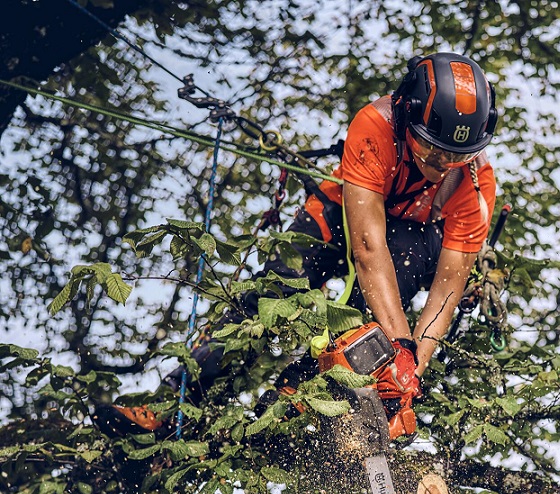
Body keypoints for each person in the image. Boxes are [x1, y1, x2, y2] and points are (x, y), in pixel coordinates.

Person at [96, 51, 499, 437]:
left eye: (456, 155)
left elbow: (447, 290)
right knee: (273, 291)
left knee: (401, 271)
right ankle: (172, 405)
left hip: (406, 246)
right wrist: (399, 344)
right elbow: (368, 248)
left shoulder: (475, 185)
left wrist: (408, 371)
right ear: (408, 115)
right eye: (432, 147)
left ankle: (298, 397)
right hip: (343, 219)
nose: (442, 163)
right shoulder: (376, 125)